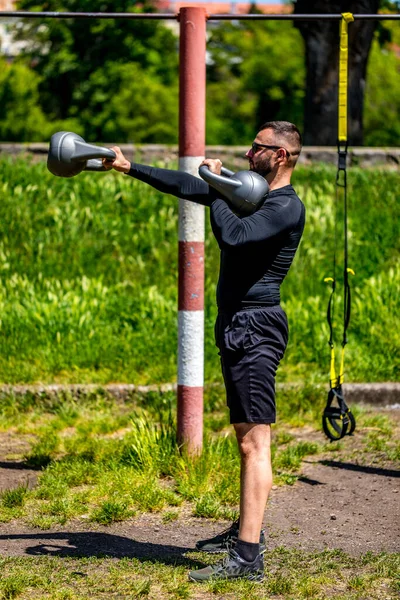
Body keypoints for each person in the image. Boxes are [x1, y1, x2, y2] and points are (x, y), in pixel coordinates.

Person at [103, 121, 305, 583]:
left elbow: (233, 235)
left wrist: (216, 189)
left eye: (258, 147)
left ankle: (248, 557)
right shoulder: (253, 191)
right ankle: (244, 531)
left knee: (256, 442)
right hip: (237, 325)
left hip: (256, 328)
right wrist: (130, 167)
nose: (248, 152)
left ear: (281, 156)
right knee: (244, 439)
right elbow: (191, 186)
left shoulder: (285, 207)